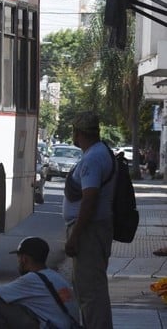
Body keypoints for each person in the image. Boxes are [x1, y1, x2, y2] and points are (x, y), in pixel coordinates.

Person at [63, 111, 114, 328]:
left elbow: (89, 200)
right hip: (94, 230)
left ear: (79, 132)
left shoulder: (93, 158)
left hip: (89, 232)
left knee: (90, 293)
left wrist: (75, 237)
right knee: (91, 289)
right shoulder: (100, 152)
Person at [0, 236, 79, 329]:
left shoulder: (31, 279)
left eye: (18, 257)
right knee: (14, 301)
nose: (18, 261)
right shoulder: (56, 277)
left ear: (24, 259)